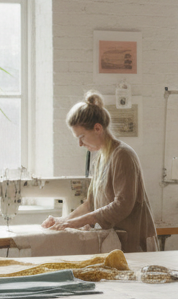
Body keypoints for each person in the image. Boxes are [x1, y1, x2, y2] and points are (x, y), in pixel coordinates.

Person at [42, 91, 158, 253]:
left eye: (81, 137)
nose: (80, 144)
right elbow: (91, 204)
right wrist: (62, 220)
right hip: (117, 244)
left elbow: (122, 205)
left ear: (97, 128)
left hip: (133, 244)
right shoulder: (100, 160)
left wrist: (77, 222)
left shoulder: (123, 155)